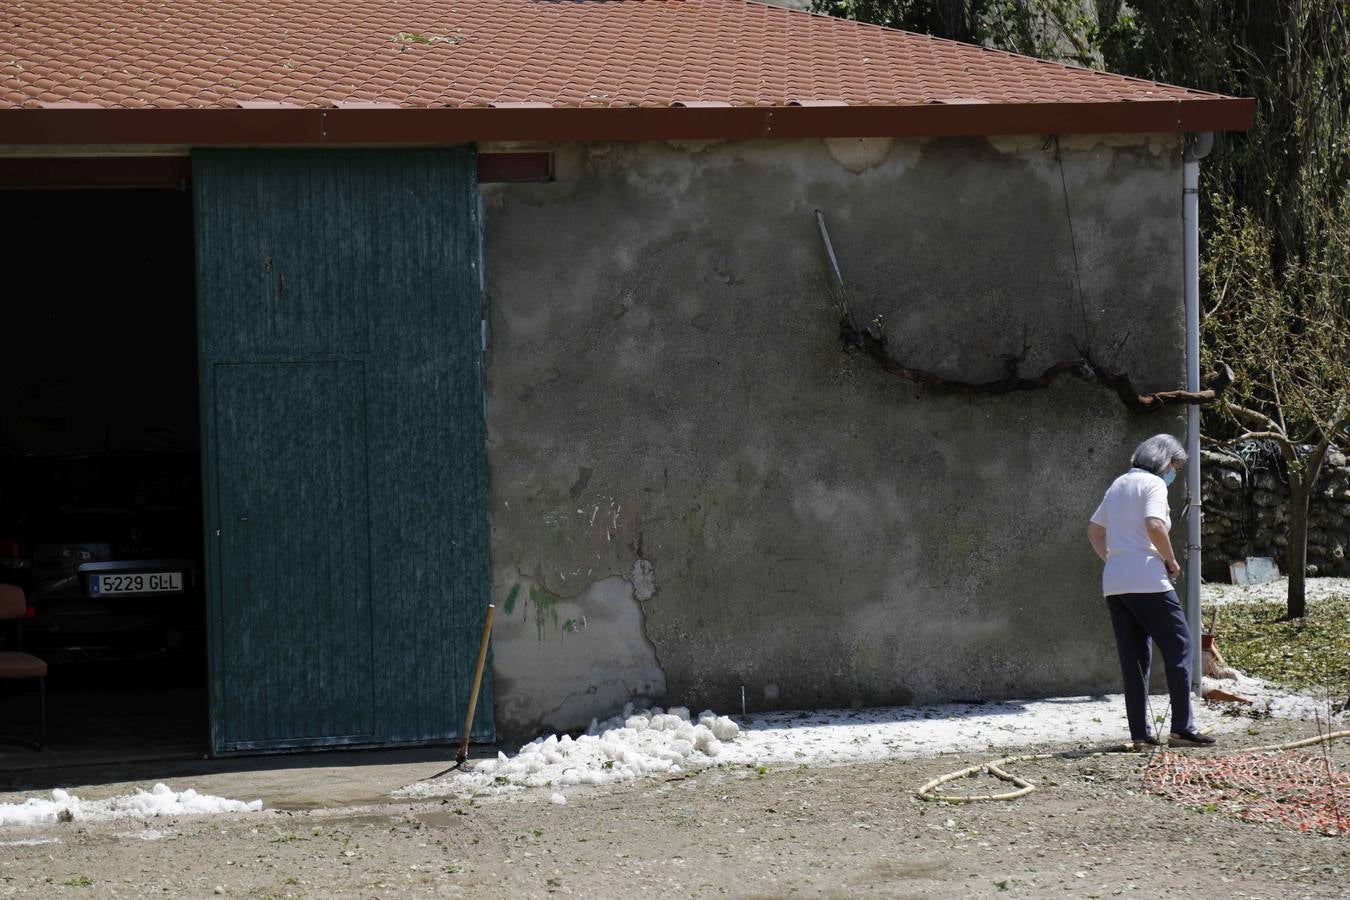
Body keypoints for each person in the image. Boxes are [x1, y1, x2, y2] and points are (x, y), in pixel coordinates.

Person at [1087, 434, 1215, 750]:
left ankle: (1140, 735)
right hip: (1148, 580)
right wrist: (1170, 560)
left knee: (1134, 660)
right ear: (1163, 460)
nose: (1176, 473)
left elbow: (1094, 531)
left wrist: (1115, 558)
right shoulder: (1154, 484)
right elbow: (1155, 524)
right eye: (1176, 466)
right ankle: (1182, 728)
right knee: (1181, 647)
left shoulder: (1118, 484)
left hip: (1115, 583)